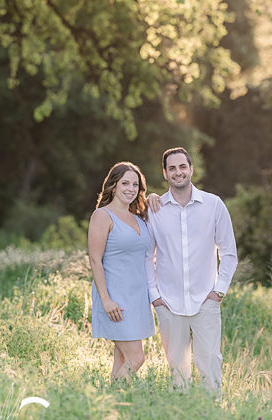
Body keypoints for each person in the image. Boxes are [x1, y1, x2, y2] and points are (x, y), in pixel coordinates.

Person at [146, 147, 238, 390]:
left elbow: (228, 253)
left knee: (210, 362)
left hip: (205, 300)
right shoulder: (154, 210)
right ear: (164, 173)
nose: (178, 173)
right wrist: (154, 296)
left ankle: (213, 416)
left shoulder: (214, 205)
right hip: (168, 302)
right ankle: (180, 418)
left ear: (191, 169)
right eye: (172, 168)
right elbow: (147, 256)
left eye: (182, 167)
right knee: (177, 367)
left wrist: (219, 292)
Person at [88, 162, 156, 381]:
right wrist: (105, 300)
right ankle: (109, 401)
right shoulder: (102, 215)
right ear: (113, 185)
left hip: (137, 298)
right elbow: (95, 260)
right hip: (115, 299)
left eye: (135, 184)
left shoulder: (139, 217)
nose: (131, 188)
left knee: (122, 360)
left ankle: (115, 407)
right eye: (125, 183)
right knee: (136, 359)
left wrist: (154, 198)